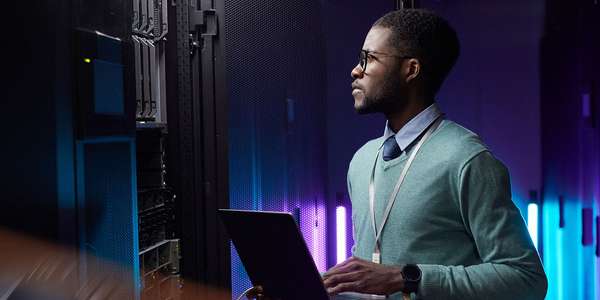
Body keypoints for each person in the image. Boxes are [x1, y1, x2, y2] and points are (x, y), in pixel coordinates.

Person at [322, 9, 547, 300]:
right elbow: (374, 281)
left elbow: (526, 278)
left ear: (411, 70)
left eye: (370, 58)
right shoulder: (362, 161)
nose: (356, 70)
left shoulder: (467, 159)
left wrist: (406, 278)